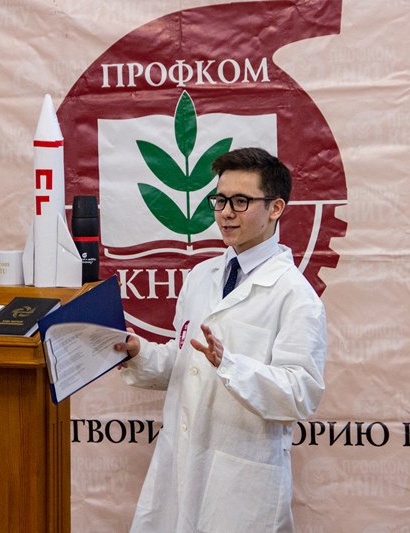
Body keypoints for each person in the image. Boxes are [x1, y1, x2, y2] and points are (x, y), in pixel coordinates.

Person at [114, 147, 327, 533]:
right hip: (182, 462)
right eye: (220, 200)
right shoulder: (202, 275)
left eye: (241, 201)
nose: (226, 212)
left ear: (276, 208)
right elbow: (183, 363)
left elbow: (301, 393)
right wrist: (139, 353)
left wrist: (230, 365)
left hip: (241, 482)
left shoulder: (295, 295)